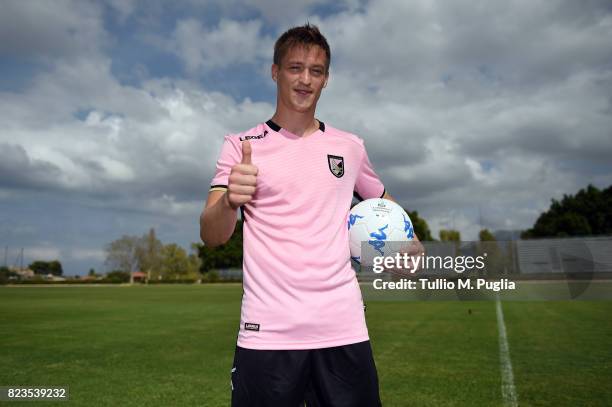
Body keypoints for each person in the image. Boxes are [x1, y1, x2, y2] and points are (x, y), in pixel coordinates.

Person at [200, 23, 422, 407]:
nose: (305, 80)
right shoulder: (240, 146)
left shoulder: (350, 147)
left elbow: (384, 201)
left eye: (315, 71)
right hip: (267, 333)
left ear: (326, 79)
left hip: (343, 329)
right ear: (275, 71)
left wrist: (410, 246)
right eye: (294, 68)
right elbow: (212, 234)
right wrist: (229, 201)